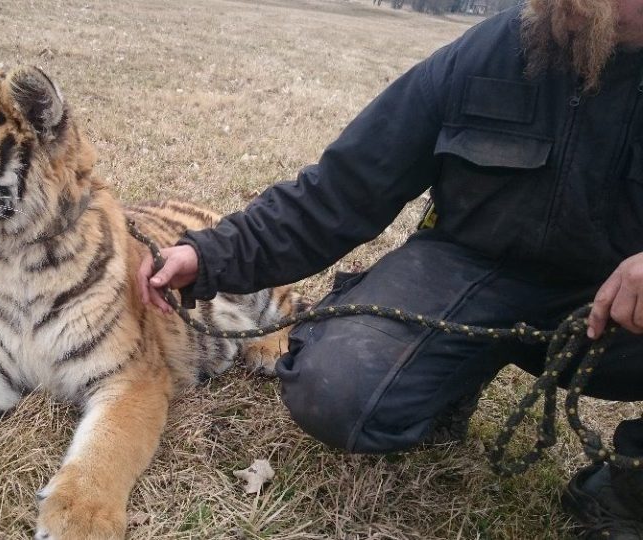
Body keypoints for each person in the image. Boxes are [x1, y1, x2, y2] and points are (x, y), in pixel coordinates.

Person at [137, 0, 643, 537]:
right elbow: (343, 189)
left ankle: (626, 488)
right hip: (465, 273)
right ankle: (451, 376)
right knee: (334, 387)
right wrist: (210, 254)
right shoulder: (489, 52)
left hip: (614, 311)